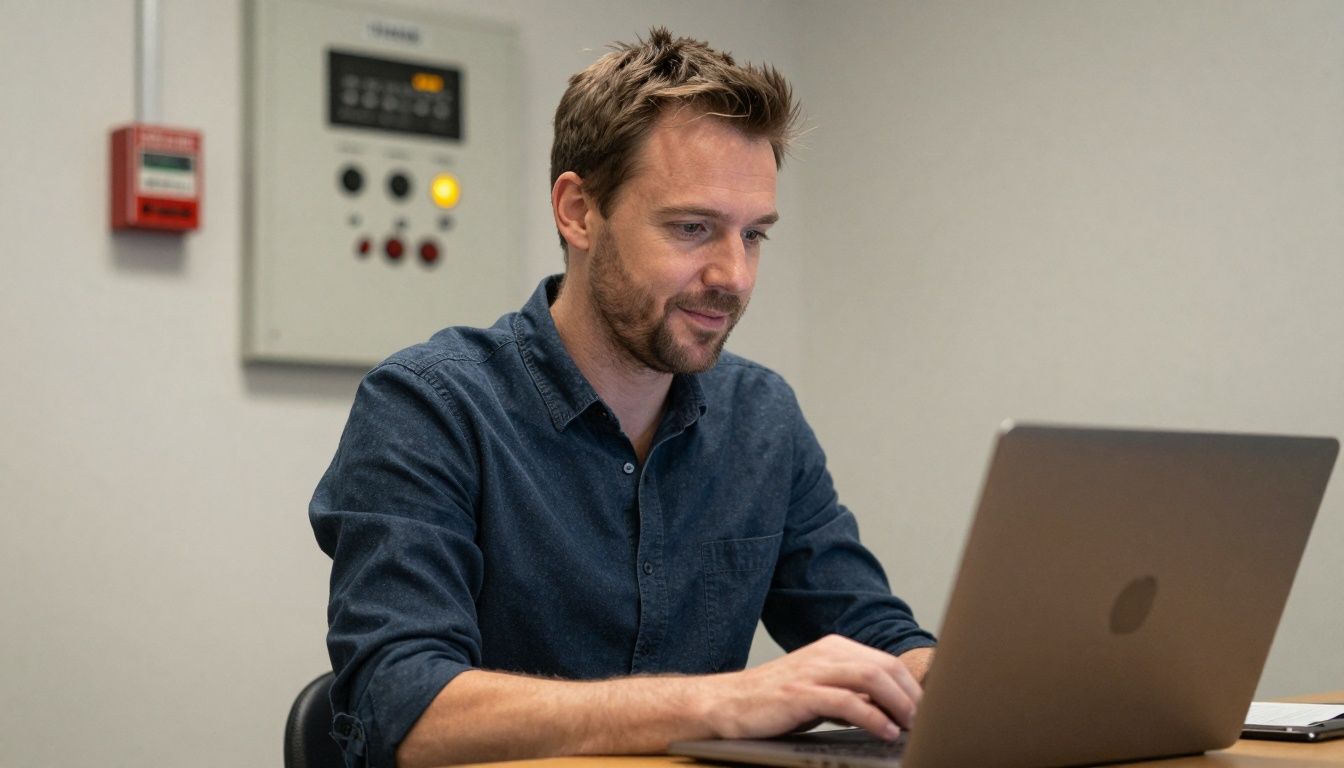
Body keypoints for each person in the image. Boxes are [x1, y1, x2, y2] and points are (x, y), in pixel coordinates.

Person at [310, 27, 935, 768]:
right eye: (693, 228)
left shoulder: (762, 419)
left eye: (754, 235)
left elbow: (884, 643)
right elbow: (402, 706)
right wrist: (719, 702)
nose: (733, 275)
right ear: (578, 212)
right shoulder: (428, 407)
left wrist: (991, 686)